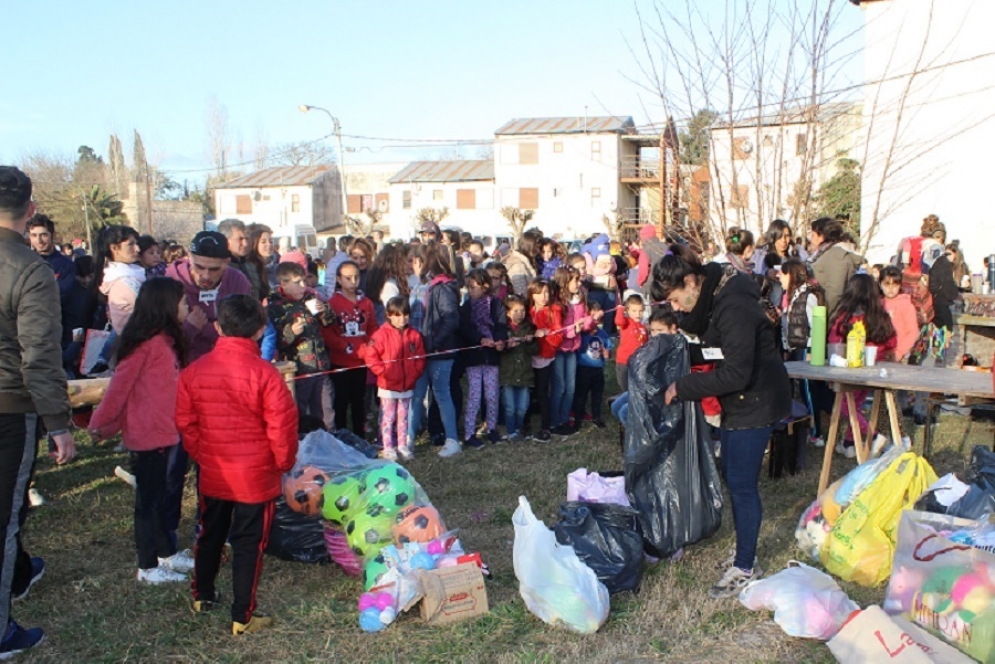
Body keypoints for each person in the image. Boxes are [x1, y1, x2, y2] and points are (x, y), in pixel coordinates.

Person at [654, 252, 791, 598]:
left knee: (742, 484)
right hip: (739, 401)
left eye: (675, 299)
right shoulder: (716, 297)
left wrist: (683, 387)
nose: (677, 308)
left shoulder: (733, 307)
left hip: (756, 400)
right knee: (732, 475)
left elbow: (736, 373)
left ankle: (745, 566)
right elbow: (718, 350)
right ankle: (746, 550)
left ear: (690, 282)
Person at [175, 294, 298, 635]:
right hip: (254, 477)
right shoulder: (266, 375)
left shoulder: (194, 372)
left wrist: (203, 455)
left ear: (217, 327)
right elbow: (282, 428)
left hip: (215, 470)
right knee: (248, 543)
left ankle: (202, 594)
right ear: (260, 330)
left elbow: (186, 423)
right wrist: (283, 463)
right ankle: (242, 615)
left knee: (210, 532)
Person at [0, 166, 75, 657]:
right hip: (9, 405)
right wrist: (58, 423)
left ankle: (20, 574)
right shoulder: (30, 269)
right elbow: (40, 355)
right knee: (5, 519)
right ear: (30, 211)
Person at [88, 278, 195, 584]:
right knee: (147, 503)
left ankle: (166, 554)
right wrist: (100, 425)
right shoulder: (146, 345)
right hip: (148, 436)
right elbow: (119, 391)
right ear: (166, 305)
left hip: (164, 433)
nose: (188, 306)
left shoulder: (165, 342)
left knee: (159, 498)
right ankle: (147, 567)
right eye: (183, 301)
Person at [827, 274, 897, 457]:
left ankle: (873, 435)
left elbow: (834, 340)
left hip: (851, 367)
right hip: (875, 368)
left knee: (845, 405)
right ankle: (850, 443)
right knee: (855, 406)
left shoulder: (846, 317)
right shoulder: (881, 316)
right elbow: (892, 342)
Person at [407, 242, 462, 456]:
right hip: (419, 351)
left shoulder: (443, 286)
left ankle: (452, 439)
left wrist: (432, 344)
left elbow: (450, 319)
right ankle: (408, 439)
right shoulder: (420, 286)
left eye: (416, 261)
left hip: (438, 352)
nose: (413, 265)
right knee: (416, 395)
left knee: (441, 394)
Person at [267, 262, 337, 431]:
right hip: (298, 370)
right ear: (283, 283)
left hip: (320, 366)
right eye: (297, 282)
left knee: (326, 409)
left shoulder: (310, 298)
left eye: (304, 281)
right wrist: (291, 332)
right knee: (300, 411)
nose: (303, 286)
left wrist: (324, 310)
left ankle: (328, 440)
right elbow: (275, 341)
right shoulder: (275, 307)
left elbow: (329, 323)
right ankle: (302, 441)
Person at [364, 297, 426, 461]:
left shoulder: (414, 335)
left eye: (405, 315)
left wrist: (415, 372)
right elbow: (370, 356)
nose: (402, 319)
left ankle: (402, 445)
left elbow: (420, 357)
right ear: (388, 315)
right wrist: (384, 372)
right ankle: (388, 447)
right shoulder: (380, 335)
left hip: (407, 385)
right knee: (388, 417)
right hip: (388, 386)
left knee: (403, 417)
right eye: (397, 315)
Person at [323, 261, 376, 437]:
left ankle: (360, 437)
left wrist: (369, 347)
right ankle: (341, 437)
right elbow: (327, 333)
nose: (353, 282)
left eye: (356, 277)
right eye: (348, 278)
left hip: (361, 361)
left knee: (359, 401)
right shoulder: (332, 303)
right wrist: (344, 346)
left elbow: (372, 328)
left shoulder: (366, 303)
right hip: (340, 362)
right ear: (339, 279)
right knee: (341, 402)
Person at [458, 269, 508, 449]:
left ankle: (492, 428)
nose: (470, 291)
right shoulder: (466, 307)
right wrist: (479, 339)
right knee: (474, 396)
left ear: (485, 286)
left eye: (473, 287)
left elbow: (501, 325)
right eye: (468, 287)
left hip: (491, 357)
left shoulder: (496, 304)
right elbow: (464, 329)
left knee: (492, 395)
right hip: (474, 357)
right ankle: (469, 433)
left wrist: (500, 340)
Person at [550, 265, 598, 435]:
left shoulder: (579, 300)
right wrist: (573, 330)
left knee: (570, 387)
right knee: (559, 386)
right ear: (565, 281)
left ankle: (564, 420)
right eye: (575, 280)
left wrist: (591, 320)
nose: (579, 283)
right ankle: (554, 422)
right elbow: (555, 329)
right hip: (559, 349)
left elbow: (584, 322)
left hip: (572, 349)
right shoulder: (557, 303)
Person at [610, 307, 679, 424]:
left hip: (662, 395)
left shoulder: (677, 348)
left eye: (660, 330)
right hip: (646, 389)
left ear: (672, 328)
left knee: (625, 412)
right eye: (653, 330)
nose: (655, 335)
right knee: (615, 406)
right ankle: (633, 431)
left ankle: (643, 434)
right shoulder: (655, 346)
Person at [499, 294, 538, 442]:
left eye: (522, 310)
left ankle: (519, 428)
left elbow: (535, 350)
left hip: (525, 374)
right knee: (510, 406)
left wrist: (530, 342)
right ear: (508, 312)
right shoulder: (503, 329)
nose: (520, 314)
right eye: (516, 311)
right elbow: (499, 350)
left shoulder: (529, 328)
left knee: (522, 406)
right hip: (508, 374)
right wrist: (506, 346)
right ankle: (511, 431)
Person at [527, 278, 562, 442]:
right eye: (539, 293)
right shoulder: (527, 311)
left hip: (544, 357)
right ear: (532, 295)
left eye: (546, 292)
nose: (543, 296)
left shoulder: (553, 311)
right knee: (528, 390)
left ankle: (546, 427)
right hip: (527, 356)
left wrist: (546, 333)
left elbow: (558, 336)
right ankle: (525, 424)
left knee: (542, 392)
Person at [808, 217, 863, 320]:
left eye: (813, 235)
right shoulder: (825, 253)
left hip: (832, 316)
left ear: (822, 236)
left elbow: (835, 292)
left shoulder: (836, 255)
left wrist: (820, 317)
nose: (810, 239)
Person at [95, 225, 144, 335]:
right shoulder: (123, 281)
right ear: (114, 248)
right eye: (130, 244)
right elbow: (151, 309)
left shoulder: (128, 274)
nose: (137, 249)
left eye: (136, 243)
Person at [573, 300, 611, 428]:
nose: (595, 320)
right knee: (581, 395)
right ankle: (578, 418)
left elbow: (608, 349)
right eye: (592, 316)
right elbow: (579, 348)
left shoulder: (603, 334)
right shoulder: (582, 334)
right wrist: (589, 336)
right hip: (583, 369)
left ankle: (596, 417)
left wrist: (606, 353)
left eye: (597, 317)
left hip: (598, 370)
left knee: (597, 395)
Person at [26, 213, 75, 304]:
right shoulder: (24, 263)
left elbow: (62, 294)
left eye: (43, 235)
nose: (39, 241)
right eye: (34, 235)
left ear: (53, 235)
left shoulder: (66, 265)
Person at [879, 266, 919, 362]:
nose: (890, 289)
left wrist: (899, 352)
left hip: (899, 355)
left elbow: (913, 332)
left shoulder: (905, 304)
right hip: (879, 353)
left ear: (900, 286)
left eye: (894, 285)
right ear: (880, 285)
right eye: (887, 284)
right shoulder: (877, 303)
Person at [218, 219, 262, 301]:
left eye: (247, 239)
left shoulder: (250, 266)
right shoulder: (217, 268)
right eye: (240, 239)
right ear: (225, 240)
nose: (245, 244)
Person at [614, 292, 648, 392]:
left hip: (638, 364)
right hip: (624, 363)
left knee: (636, 389)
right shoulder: (626, 322)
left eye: (640, 311)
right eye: (634, 311)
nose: (638, 314)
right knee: (626, 390)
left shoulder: (643, 328)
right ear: (627, 310)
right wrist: (620, 309)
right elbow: (618, 321)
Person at [637, 224, 669, 297]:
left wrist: (640, 282)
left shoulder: (646, 250)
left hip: (651, 286)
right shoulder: (666, 246)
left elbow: (643, 270)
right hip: (667, 283)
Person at [504, 231, 540, 296]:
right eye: (536, 247)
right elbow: (521, 294)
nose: (538, 250)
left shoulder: (526, 261)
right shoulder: (518, 265)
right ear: (528, 247)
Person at [245, 223, 274, 302]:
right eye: (263, 242)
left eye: (271, 242)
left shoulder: (274, 265)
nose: (268, 245)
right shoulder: (250, 266)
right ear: (254, 244)